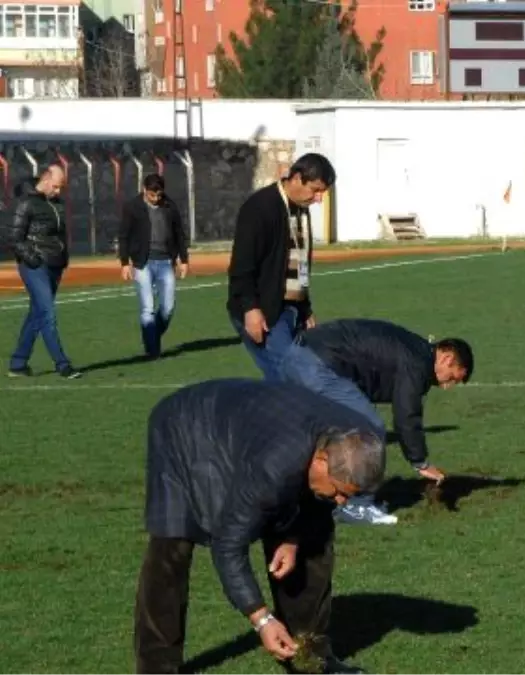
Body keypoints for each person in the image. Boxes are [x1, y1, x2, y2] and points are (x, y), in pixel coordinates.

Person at [133, 378, 383, 675]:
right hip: (184, 428)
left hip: (256, 429)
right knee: (171, 546)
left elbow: (318, 499)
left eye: (349, 495)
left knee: (314, 538)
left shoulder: (364, 442)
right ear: (320, 459)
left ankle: (311, 659)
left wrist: (292, 537)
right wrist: (261, 618)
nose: (342, 503)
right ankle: (157, 667)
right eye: (339, 491)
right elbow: (228, 545)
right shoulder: (273, 470)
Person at [278, 318, 474, 526]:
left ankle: (298, 496)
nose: (447, 387)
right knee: (369, 428)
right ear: (446, 357)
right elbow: (406, 414)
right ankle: (358, 506)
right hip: (318, 364)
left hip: (298, 356)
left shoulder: (415, 351)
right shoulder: (417, 363)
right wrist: (420, 461)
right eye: (451, 378)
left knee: (317, 434)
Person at [227, 153, 335, 381]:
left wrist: (305, 307)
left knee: (290, 378)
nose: (319, 199)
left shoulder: (300, 208)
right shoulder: (259, 208)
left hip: (291, 309)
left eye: (323, 192)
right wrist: (250, 309)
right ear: (296, 178)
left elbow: (299, 262)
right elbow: (241, 266)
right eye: (315, 190)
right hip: (265, 311)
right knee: (290, 378)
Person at [5, 164, 81, 379]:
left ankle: (18, 363)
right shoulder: (26, 203)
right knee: (47, 314)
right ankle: (62, 364)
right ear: (46, 180)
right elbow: (14, 238)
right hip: (35, 265)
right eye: (56, 187)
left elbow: (60, 235)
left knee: (37, 314)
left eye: (61, 188)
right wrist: (33, 259)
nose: (58, 191)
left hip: (55, 264)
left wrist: (63, 258)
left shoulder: (56, 204)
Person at [118, 173, 190, 359]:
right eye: (152, 195)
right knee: (147, 309)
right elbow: (124, 235)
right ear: (144, 190)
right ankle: (153, 350)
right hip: (143, 263)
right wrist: (125, 263)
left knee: (168, 308)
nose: (156, 199)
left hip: (166, 261)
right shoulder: (132, 207)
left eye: (159, 195)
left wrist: (184, 259)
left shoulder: (169, 206)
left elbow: (179, 234)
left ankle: (152, 335)